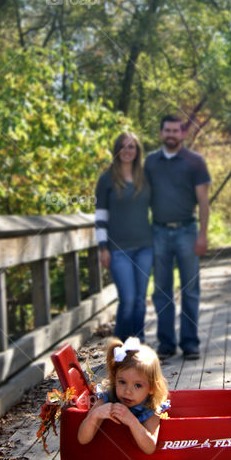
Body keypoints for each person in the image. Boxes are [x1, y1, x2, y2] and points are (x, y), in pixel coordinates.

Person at [144, 115, 210, 361]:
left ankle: (190, 343)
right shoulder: (150, 162)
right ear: (161, 133)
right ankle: (166, 344)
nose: (171, 134)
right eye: (167, 130)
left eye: (176, 130)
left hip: (187, 231)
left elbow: (203, 201)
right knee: (161, 290)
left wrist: (202, 235)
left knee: (190, 289)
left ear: (182, 134)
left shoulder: (195, 162)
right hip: (158, 231)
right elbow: (142, 198)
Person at [95, 132, 153, 340]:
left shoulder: (145, 178)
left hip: (145, 247)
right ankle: (119, 349)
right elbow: (101, 216)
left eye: (131, 147)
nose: (127, 151)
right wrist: (103, 248)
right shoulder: (107, 180)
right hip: (118, 249)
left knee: (139, 300)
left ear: (137, 151)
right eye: (123, 146)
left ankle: (138, 345)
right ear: (116, 150)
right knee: (127, 300)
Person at [77, 336, 170, 454]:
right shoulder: (107, 400)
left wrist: (132, 421)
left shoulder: (150, 407)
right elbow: (83, 439)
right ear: (115, 379)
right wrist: (94, 415)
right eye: (122, 382)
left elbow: (150, 448)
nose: (127, 391)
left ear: (151, 388)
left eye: (137, 385)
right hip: (107, 458)